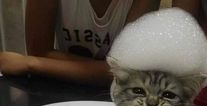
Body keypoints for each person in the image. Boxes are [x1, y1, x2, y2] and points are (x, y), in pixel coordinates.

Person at [0, 0, 160, 86]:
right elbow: (39, 51)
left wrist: (32, 64)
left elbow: (126, 72)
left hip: (116, 98)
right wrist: (105, 70)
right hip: (60, 87)